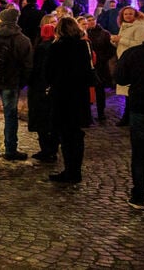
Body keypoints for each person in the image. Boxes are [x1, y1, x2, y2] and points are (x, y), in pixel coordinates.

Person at [46, 17, 97, 184]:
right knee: (76, 134)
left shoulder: (56, 47)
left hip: (62, 95)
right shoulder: (83, 45)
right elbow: (89, 70)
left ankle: (70, 171)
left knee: (66, 135)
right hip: (79, 95)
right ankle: (75, 170)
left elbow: (48, 72)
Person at [0, 7, 33, 160]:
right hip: (11, 82)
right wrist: (21, 83)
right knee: (10, 115)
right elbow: (28, 65)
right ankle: (10, 148)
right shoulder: (22, 40)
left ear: (1, 20)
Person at [116, 27, 144, 209]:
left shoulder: (133, 54)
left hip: (140, 107)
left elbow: (120, 78)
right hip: (139, 107)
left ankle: (138, 196)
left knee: (140, 153)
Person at [28, 24, 59, 162]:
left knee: (42, 120)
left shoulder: (41, 48)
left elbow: (37, 68)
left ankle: (46, 150)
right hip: (52, 87)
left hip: (40, 88)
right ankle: (52, 148)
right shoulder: (57, 46)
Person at [113, 6, 144, 127]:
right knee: (127, 92)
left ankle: (128, 117)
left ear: (135, 15)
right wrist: (115, 41)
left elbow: (139, 44)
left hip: (133, 62)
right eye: (125, 14)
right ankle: (127, 116)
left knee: (130, 91)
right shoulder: (124, 26)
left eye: (130, 14)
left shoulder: (139, 27)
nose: (128, 16)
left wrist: (121, 40)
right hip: (125, 60)